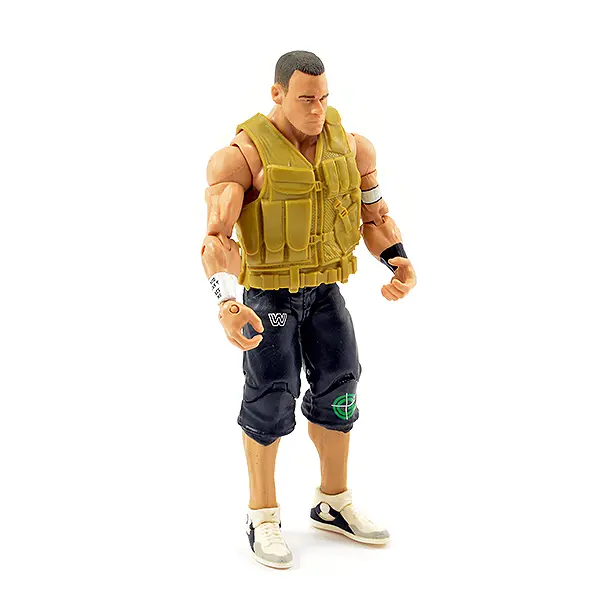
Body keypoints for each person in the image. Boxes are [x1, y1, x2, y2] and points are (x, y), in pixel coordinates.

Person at [201, 50, 416, 569]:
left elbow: (374, 214)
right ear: (277, 94)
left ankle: (332, 502)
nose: (317, 109)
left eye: (323, 98)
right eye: (304, 99)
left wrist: (397, 259)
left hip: (324, 292)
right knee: (271, 397)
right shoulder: (239, 158)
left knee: (341, 386)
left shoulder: (354, 149)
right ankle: (262, 515)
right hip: (269, 299)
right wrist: (226, 302)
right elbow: (216, 238)